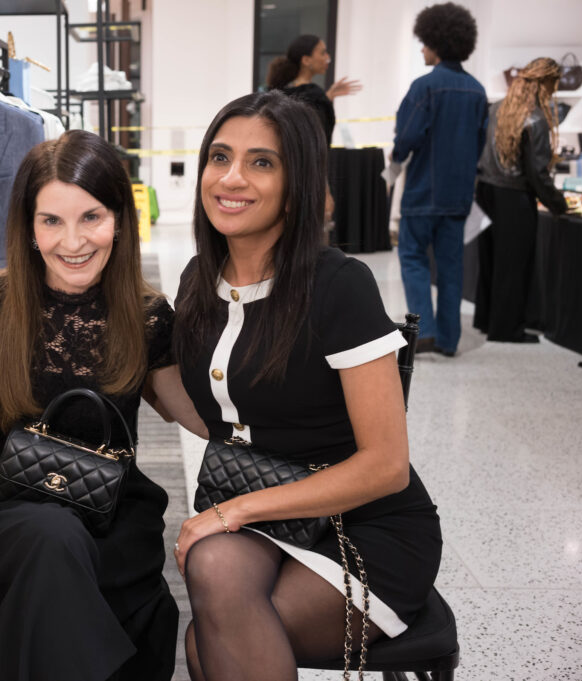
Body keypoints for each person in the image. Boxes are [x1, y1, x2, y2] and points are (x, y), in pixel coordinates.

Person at [172, 92, 442, 681]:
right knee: (213, 572)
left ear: (298, 183)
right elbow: (197, 406)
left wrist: (231, 511)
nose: (231, 177)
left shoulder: (337, 285)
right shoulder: (198, 280)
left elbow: (387, 466)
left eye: (261, 162)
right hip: (268, 508)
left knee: (208, 640)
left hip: (364, 524)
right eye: (219, 157)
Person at [0, 129, 208, 681]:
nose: (73, 241)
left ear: (119, 220)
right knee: (52, 539)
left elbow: (201, 415)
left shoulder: (148, 313)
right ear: (29, 227)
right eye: (51, 221)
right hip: (16, 509)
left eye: (91, 217)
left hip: (115, 510)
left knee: (72, 560)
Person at [392, 2, 487, 357]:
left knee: (413, 259)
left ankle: (424, 331)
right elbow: (479, 143)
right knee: (450, 266)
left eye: (425, 42)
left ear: (437, 42)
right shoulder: (477, 91)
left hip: (422, 191)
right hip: (459, 195)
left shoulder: (424, 87)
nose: (421, 48)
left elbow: (406, 138)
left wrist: (396, 157)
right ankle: (449, 339)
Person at [474, 57, 569, 343]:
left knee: (490, 261)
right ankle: (507, 329)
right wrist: (558, 204)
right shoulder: (536, 118)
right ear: (546, 83)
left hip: (486, 192)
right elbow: (537, 172)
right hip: (514, 197)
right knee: (513, 265)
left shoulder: (498, 108)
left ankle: (488, 321)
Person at [266, 34, 361, 147]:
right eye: (322, 53)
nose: (327, 58)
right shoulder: (313, 94)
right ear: (306, 60)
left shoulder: (283, 92)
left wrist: (327, 97)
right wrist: (324, 99)